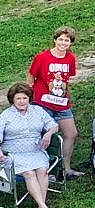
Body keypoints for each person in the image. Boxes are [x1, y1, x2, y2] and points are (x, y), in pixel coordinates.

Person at [27, 27, 81, 180]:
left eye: (67, 40)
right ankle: (47, 170)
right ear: (55, 40)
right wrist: (31, 95)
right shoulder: (42, 57)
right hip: (43, 102)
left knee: (71, 133)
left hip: (61, 102)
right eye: (61, 39)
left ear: (70, 43)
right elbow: (31, 75)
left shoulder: (70, 59)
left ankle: (66, 168)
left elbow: (66, 79)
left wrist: (66, 95)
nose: (63, 43)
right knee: (46, 135)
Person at [0, 84, 58, 208]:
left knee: (42, 170)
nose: (21, 101)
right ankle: (44, 207)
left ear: (29, 98)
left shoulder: (38, 111)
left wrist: (48, 134)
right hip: (14, 154)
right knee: (29, 173)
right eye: (18, 98)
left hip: (36, 151)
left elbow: (54, 125)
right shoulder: (5, 116)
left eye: (24, 98)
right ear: (12, 100)